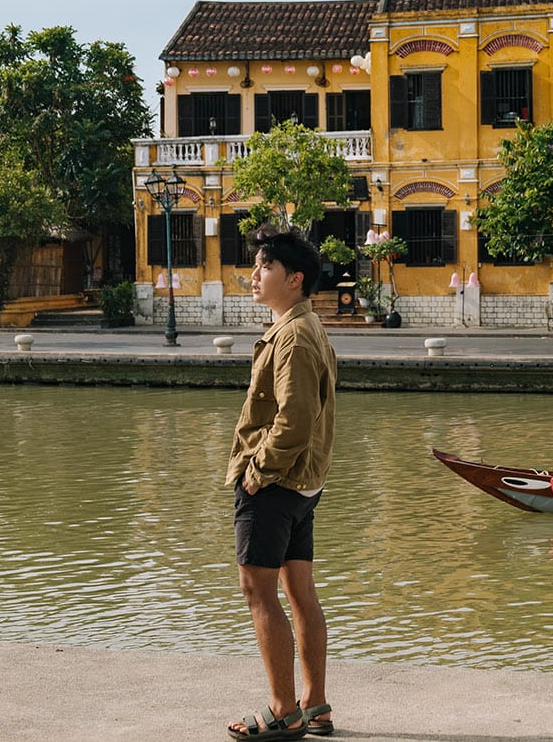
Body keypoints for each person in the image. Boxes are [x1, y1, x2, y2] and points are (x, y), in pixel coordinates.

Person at [225, 226, 337, 742]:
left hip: (277, 482)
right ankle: (314, 705)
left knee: (258, 591)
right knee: (300, 591)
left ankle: (282, 709)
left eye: (265, 267)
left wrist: (255, 474)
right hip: (303, 482)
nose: (254, 275)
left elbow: (293, 419)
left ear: (294, 279)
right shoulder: (308, 326)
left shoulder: (292, 335)